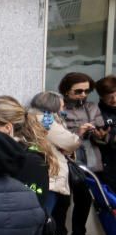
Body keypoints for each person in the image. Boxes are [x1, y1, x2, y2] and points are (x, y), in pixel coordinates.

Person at [54, 72, 108, 235]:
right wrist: (78, 131)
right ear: (66, 91)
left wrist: (101, 135)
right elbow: (56, 135)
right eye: (78, 91)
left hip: (90, 159)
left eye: (86, 91)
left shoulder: (92, 107)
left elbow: (101, 136)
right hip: (67, 158)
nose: (83, 95)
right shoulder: (58, 108)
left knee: (84, 199)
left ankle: (79, 234)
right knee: (63, 200)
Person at [29, 91, 80, 220]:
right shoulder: (46, 120)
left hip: (36, 171)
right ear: (52, 106)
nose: (63, 109)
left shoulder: (29, 116)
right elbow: (71, 142)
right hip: (50, 173)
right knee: (45, 214)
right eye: (61, 106)